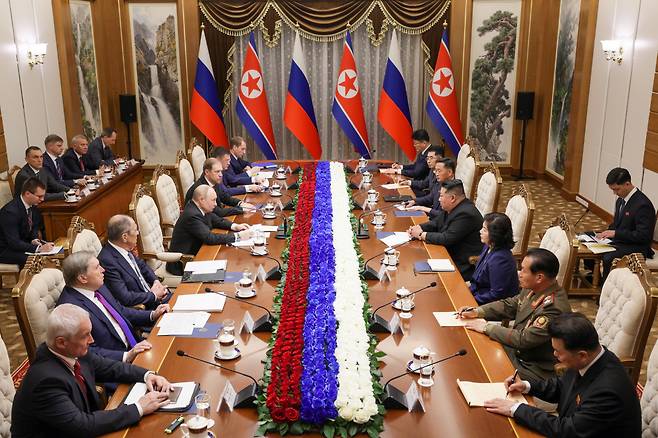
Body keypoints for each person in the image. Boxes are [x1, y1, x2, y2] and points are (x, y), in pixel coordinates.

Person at [11, 304, 172, 437]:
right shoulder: (46, 381)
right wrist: (139, 407)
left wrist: (147, 375)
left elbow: (110, 367)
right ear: (61, 342)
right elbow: (83, 425)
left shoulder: (71, 351)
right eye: (85, 335)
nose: (92, 340)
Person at [484, 312, 642, 437]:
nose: (554, 355)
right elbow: (562, 386)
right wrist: (526, 386)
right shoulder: (591, 358)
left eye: (558, 352)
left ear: (582, 355)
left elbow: (567, 430)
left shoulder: (607, 392)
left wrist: (516, 409)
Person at [459, 248, 572, 381]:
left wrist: (486, 327)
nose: (519, 273)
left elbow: (524, 339)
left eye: (524, 270)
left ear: (539, 277)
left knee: (479, 367)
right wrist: (478, 311)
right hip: (517, 352)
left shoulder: (553, 308)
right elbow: (511, 304)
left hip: (534, 366)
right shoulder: (535, 288)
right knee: (473, 347)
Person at [57, 251, 169, 363]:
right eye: (97, 268)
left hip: (136, 346)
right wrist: (126, 356)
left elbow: (120, 311)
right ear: (83, 278)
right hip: (115, 364)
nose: (103, 270)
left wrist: (152, 314)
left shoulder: (97, 287)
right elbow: (86, 351)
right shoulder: (70, 309)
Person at [167, 185, 253, 275]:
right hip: (184, 263)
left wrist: (235, 226)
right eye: (213, 200)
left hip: (199, 253)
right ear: (201, 200)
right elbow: (209, 238)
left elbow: (216, 220)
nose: (215, 204)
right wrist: (238, 236)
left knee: (229, 264)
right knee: (229, 270)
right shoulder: (192, 215)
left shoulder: (199, 207)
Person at [408, 179, 483, 280]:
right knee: (415, 261)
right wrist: (418, 227)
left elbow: (447, 238)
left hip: (461, 263)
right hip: (447, 253)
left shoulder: (466, 213)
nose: (439, 199)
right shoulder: (452, 206)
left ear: (452, 198)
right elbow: (436, 223)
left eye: (441, 196)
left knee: (419, 276)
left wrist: (421, 234)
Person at [98, 215, 170, 309]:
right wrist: (153, 295)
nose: (138, 233)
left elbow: (143, 267)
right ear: (125, 237)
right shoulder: (107, 261)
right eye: (135, 230)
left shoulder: (123, 247)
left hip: (155, 298)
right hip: (145, 308)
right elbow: (125, 297)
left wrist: (156, 282)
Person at [595, 167, 656, 279]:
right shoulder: (621, 200)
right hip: (621, 241)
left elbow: (643, 236)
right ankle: (595, 280)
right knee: (590, 244)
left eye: (617, 189)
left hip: (636, 247)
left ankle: (606, 289)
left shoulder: (643, 205)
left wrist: (615, 234)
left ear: (627, 184)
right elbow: (617, 224)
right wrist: (605, 233)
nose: (614, 193)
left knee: (608, 258)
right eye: (612, 190)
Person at [0, 178, 53, 267]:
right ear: (27, 194)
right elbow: (14, 242)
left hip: (21, 244)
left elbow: (34, 226)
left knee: (48, 256)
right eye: (39, 196)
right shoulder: (10, 212)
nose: (42, 199)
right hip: (5, 250)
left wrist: (34, 239)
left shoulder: (33, 206)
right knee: (38, 261)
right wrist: (39, 248)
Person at [470, 212, 520, 304]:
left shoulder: (501, 259)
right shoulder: (489, 246)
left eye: (484, 230)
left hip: (489, 304)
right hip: (476, 293)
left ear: (495, 234)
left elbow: (497, 295)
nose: (480, 231)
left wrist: (470, 300)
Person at [184, 157, 256, 217]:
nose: (221, 175)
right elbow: (218, 212)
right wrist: (242, 209)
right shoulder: (201, 189)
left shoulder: (214, 181)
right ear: (207, 172)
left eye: (221, 171)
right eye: (217, 171)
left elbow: (225, 197)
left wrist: (240, 203)